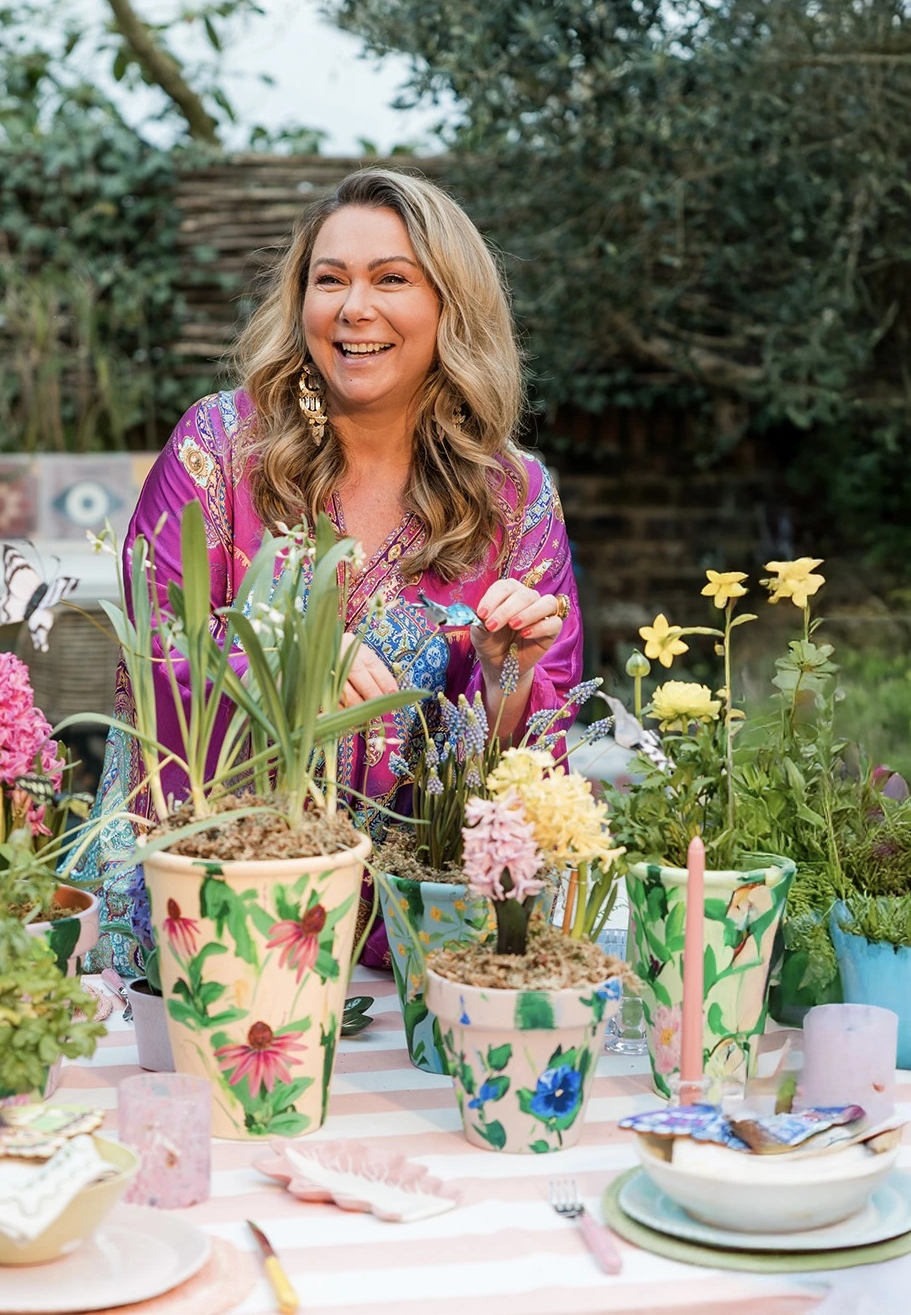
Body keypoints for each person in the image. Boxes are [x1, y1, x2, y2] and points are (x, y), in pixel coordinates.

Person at [79, 167, 582, 973]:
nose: (354, 308)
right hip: (218, 915)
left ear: (451, 305)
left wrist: (506, 676)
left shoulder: (513, 497)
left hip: (420, 935)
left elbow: (536, 745)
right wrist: (293, 660)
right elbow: (152, 650)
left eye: (391, 279)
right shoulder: (218, 447)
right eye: (329, 280)